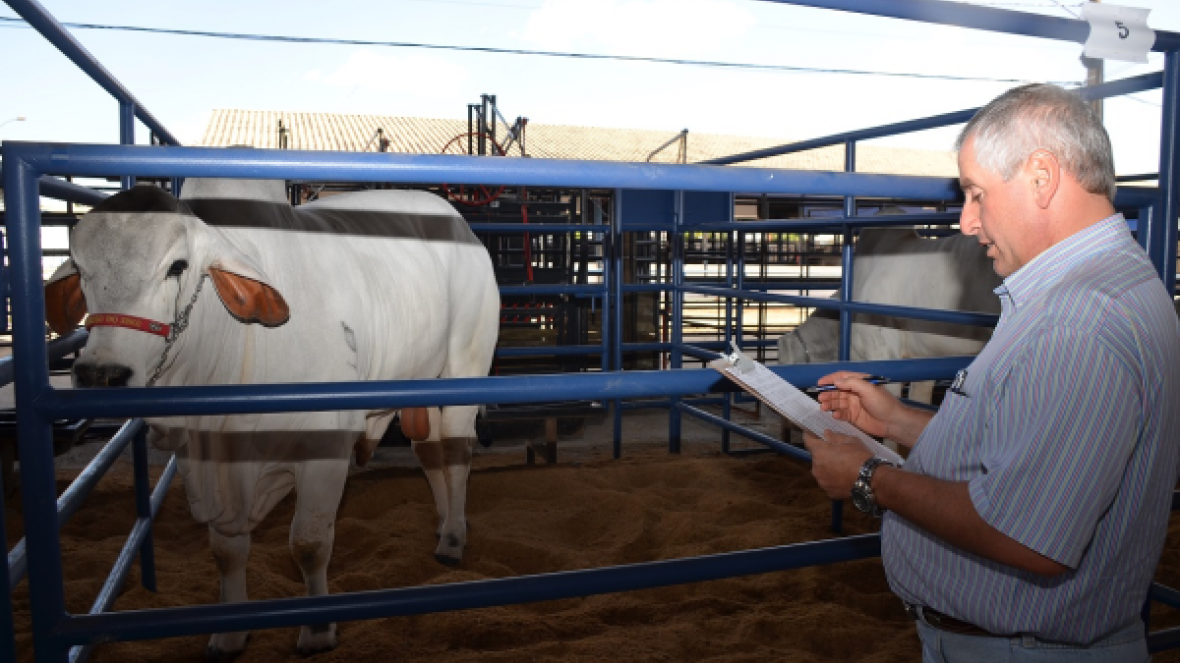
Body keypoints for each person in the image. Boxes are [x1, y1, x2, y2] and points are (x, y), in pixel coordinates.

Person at [803, 83, 1180, 662]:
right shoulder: (1107, 286)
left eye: (976, 193)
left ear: (1041, 177)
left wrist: (868, 478)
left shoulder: (1077, 320)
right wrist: (900, 422)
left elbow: (1027, 537)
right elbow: (1034, 454)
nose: (965, 220)